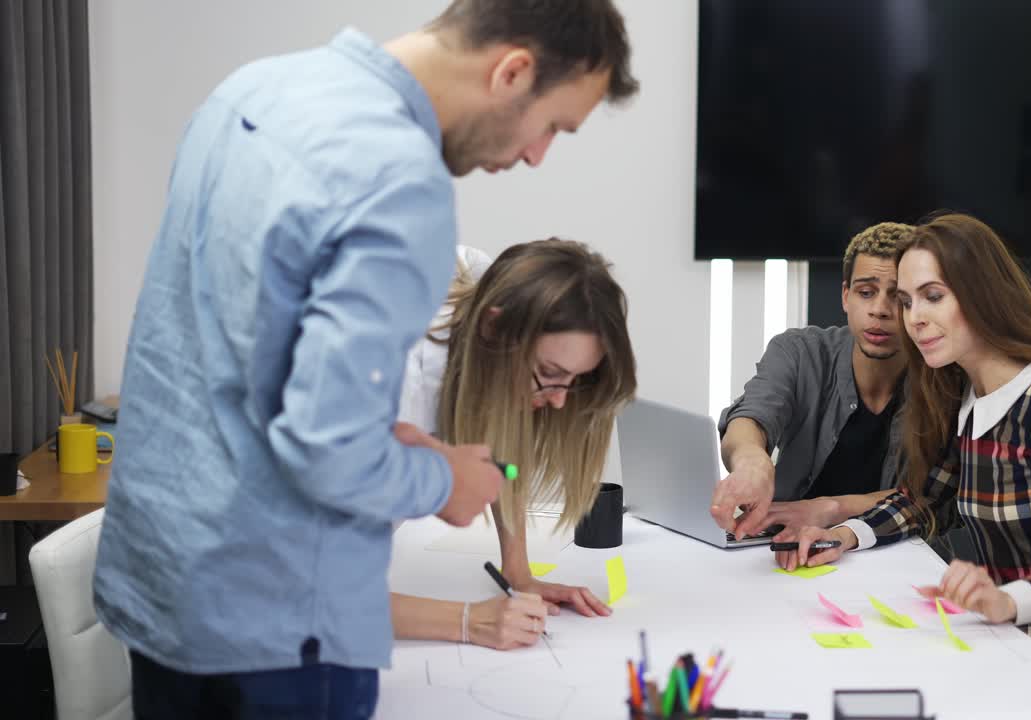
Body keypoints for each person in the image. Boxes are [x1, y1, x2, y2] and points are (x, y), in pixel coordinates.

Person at [92, 2, 638, 717]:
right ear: (512, 72)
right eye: (554, 128)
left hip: (166, 588)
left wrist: (509, 560)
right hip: (279, 632)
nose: (536, 156)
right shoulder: (399, 184)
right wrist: (439, 476)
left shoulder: (250, 93)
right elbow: (327, 449)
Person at [776, 213, 1031, 704]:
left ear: (981, 292)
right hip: (1011, 646)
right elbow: (926, 502)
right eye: (907, 301)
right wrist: (845, 535)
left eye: (933, 296)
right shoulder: (968, 395)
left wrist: (1009, 599)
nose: (914, 318)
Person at [391, 239, 637, 650]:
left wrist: (519, 573)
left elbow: (496, 426)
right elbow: (310, 596)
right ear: (493, 328)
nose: (559, 400)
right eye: (549, 372)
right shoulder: (392, 383)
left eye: (574, 381)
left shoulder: (480, 282)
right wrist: (467, 622)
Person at [711, 222, 912, 540]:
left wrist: (832, 508)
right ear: (846, 297)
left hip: (891, 551)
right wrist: (752, 462)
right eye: (865, 292)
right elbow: (752, 414)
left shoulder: (942, 381)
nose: (879, 310)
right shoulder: (800, 351)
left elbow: (933, 498)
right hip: (782, 542)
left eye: (898, 297)